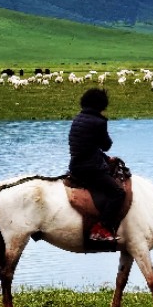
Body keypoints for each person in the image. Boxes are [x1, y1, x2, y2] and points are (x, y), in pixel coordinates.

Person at [68, 88, 124, 242]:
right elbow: (106, 145)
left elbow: (87, 147)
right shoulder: (99, 122)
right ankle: (102, 229)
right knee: (118, 193)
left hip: (75, 166)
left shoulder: (77, 118)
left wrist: (106, 159)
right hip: (91, 169)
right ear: (101, 105)